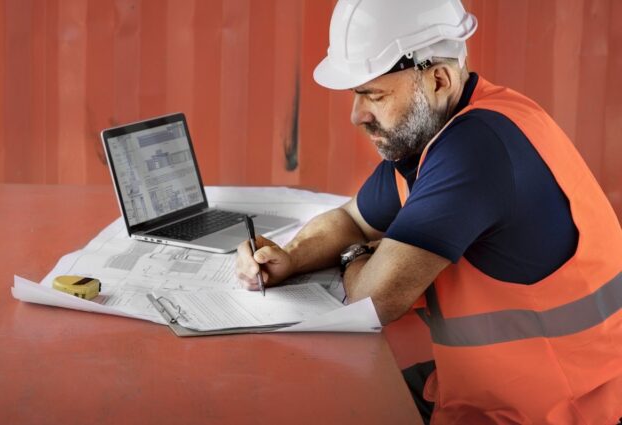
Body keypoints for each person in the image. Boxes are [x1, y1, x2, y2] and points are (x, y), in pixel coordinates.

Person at [234, 0, 622, 423]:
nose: (357, 115)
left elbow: (373, 300)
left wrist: (353, 256)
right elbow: (351, 220)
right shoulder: (435, 138)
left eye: (374, 95)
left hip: (561, 412)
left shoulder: (476, 149)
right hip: (488, 395)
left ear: (438, 79)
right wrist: (290, 257)